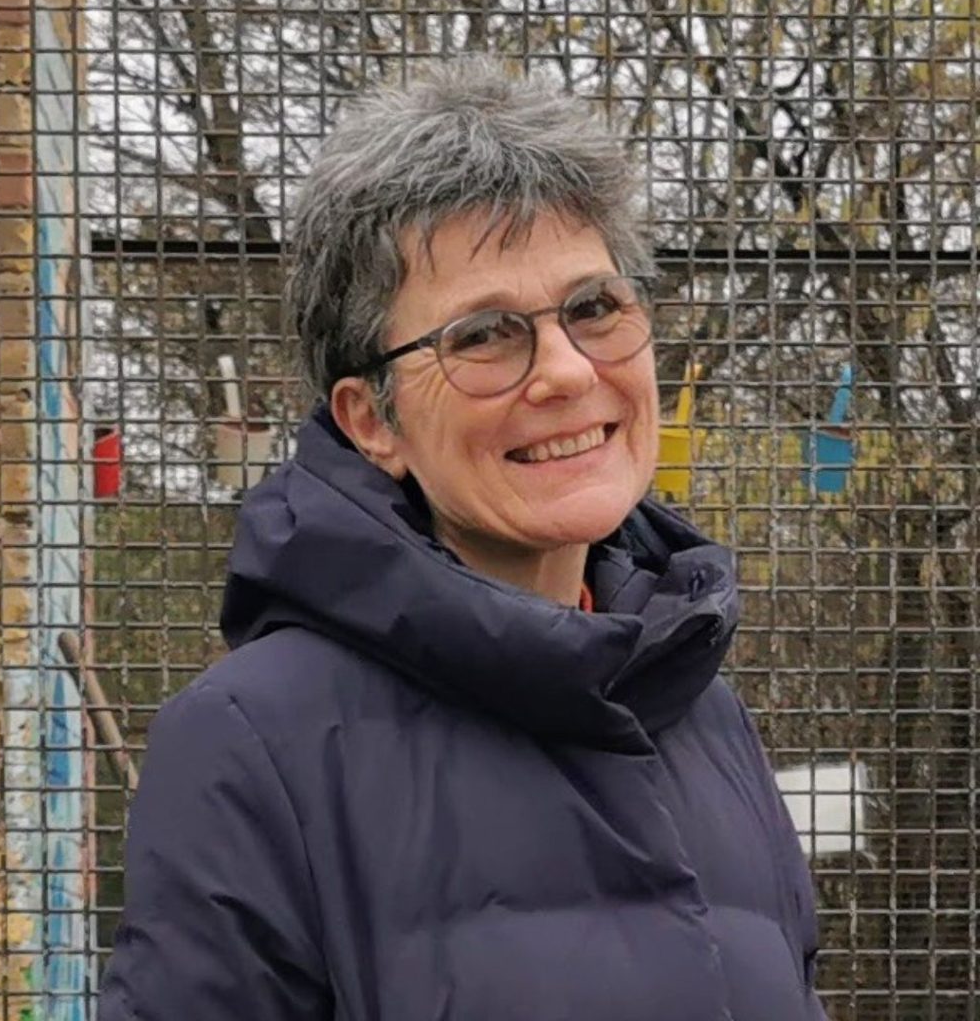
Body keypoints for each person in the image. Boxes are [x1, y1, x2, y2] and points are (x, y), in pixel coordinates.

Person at [98, 58, 828, 1020]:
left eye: (595, 307)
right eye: (484, 334)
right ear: (373, 422)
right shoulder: (252, 744)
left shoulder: (700, 706)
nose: (566, 372)